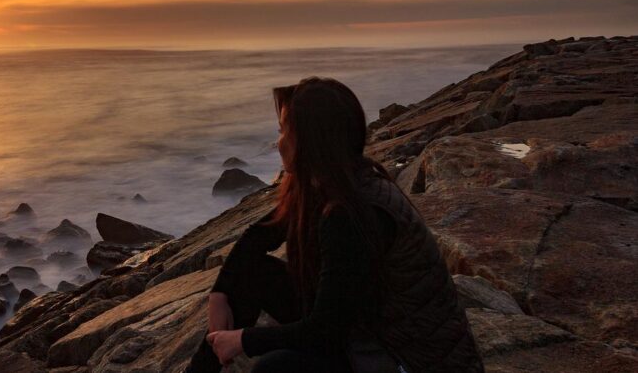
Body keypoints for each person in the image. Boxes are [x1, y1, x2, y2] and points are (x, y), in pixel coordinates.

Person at [182, 77, 484, 373]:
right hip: (365, 332)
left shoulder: (352, 214)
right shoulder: (336, 183)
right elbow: (258, 237)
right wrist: (219, 294)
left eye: (284, 131)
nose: (278, 143)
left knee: (276, 369)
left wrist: (243, 340)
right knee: (251, 273)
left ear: (311, 142)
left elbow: (325, 330)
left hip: (405, 358)